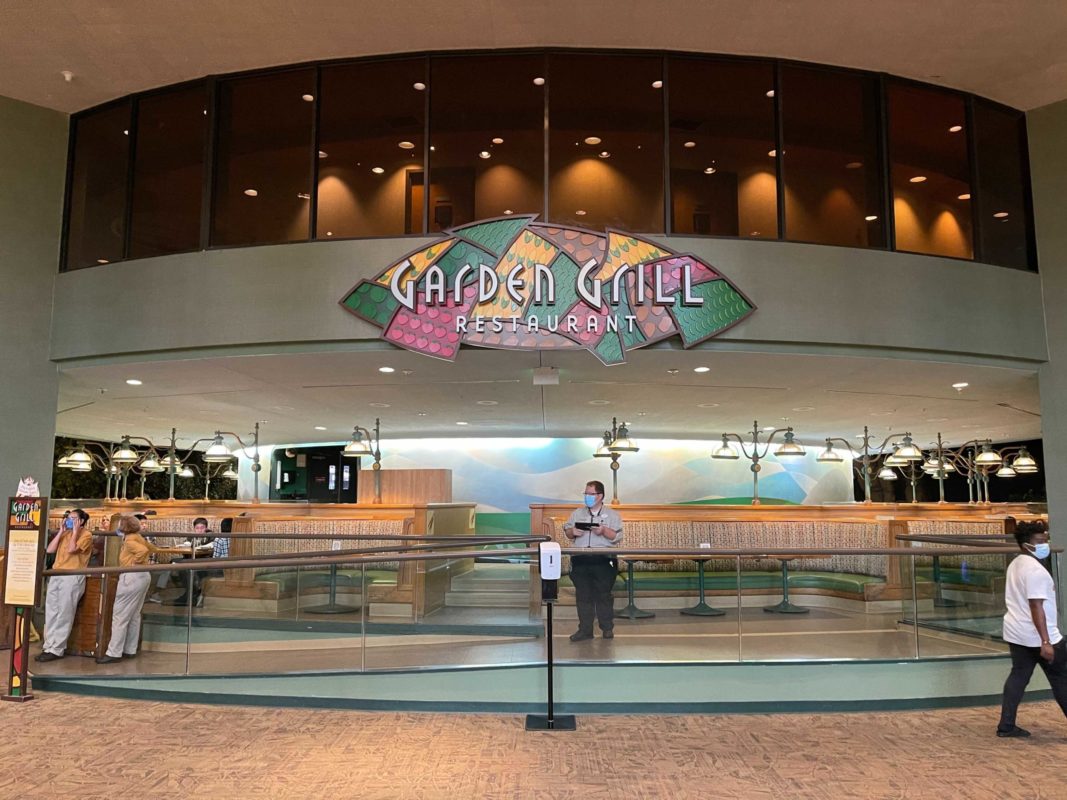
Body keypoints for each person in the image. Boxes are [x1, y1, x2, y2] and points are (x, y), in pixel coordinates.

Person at [997, 519, 1067, 737]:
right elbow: (1036, 606)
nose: (1044, 544)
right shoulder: (1036, 571)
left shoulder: (1016, 564)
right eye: (1039, 540)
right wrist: (1046, 642)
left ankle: (1006, 726)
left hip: (1017, 632)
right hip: (1040, 637)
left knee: (1018, 676)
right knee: (1062, 678)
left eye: (1045, 539)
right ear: (1026, 544)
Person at [562, 480, 623, 642]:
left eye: (590, 494)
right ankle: (585, 630)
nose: (587, 497)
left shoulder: (612, 515)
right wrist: (572, 531)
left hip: (603, 559)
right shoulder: (577, 514)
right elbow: (567, 533)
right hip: (580, 559)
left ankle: (607, 628)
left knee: (603, 595)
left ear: (600, 495)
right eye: (586, 494)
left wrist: (603, 530)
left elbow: (617, 537)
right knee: (583, 596)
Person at [98, 515, 161, 664]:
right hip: (143, 576)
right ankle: (130, 649)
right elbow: (152, 548)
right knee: (134, 615)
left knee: (120, 615)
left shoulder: (130, 540)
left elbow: (143, 551)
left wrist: (133, 563)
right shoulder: (138, 536)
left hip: (131, 577)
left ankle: (114, 652)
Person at [35, 508, 94, 662]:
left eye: (73, 518)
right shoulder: (65, 533)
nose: (69, 520)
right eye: (68, 517)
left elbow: (72, 549)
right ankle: (48, 645)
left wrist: (75, 531)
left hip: (72, 576)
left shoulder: (86, 535)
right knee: (52, 610)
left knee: (64, 612)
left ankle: (57, 648)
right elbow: (50, 550)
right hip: (56, 573)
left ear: (81, 521)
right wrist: (61, 531)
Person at [168, 517, 213, 606]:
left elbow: (211, 546)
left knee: (185, 568)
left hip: (204, 560)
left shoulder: (210, 536)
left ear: (206, 528)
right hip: (190, 559)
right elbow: (187, 544)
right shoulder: (191, 536)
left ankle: (191, 594)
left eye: (202, 528)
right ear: (194, 529)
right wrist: (183, 545)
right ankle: (191, 592)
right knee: (173, 562)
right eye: (197, 528)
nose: (199, 530)